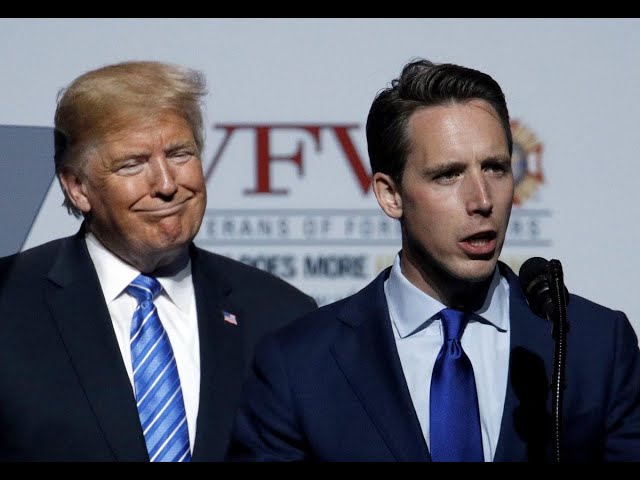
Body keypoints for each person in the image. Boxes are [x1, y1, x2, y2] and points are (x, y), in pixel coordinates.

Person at [225, 58, 640, 462]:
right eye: (448, 174)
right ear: (391, 195)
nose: (482, 200)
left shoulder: (595, 345)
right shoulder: (298, 365)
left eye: (496, 168)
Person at [0, 60, 317, 462]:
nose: (167, 185)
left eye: (180, 154)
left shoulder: (280, 314)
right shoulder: (10, 301)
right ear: (77, 187)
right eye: (133, 164)